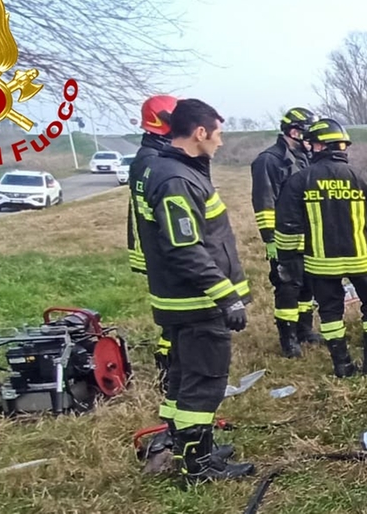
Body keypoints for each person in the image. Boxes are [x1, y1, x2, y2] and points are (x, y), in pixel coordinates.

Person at [137, 98, 255, 483]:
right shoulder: (176, 180)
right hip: (198, 302)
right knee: (204, 383)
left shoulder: (174, 168)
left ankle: (191, 447)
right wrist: (226, 295)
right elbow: (185, 248)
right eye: (218, 134)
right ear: (199, 132)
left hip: (179, 300)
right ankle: (198, 467)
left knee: (183, 378)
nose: (220, 142)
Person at [273, 118, 367, 378]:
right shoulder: (361, 178)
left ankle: (342, 364)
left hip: (320, 263)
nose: (309, 148)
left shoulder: (301, 180)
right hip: (362, 260)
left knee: (330, 311)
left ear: (321, 146)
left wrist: (288, 262)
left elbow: (287, 225)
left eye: (312, 144)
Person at [250, 107, 321, 359]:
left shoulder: (305, 157)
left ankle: (305, 331)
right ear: (294, 132)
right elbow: (264, 202)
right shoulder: (269, 160)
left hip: (308, 235)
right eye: (308, 134)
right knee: (288, 287)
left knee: (307, 286)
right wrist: (270, 239)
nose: (313, 140)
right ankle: (288, 340)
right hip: (284, 237)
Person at [126, 94, 178, 394]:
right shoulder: (152, 161)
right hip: (160, 249)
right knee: (174, 315)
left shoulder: (154, 154)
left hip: (159, 247)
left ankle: (171, 363)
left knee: (174, 317)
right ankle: (168, 368)